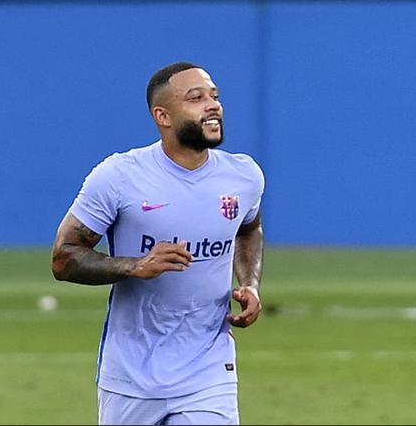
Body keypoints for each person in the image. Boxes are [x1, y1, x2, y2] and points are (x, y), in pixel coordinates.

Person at [51, 61, 265, 425]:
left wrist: (249, 284)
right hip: (131, 377)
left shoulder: (243, 176)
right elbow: (64, 258)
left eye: (214, 96)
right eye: (196, 98)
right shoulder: (119, 177)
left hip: (209, 370)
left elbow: (248, 229)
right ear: (162, 116)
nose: (212, 105)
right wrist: (135, 266)